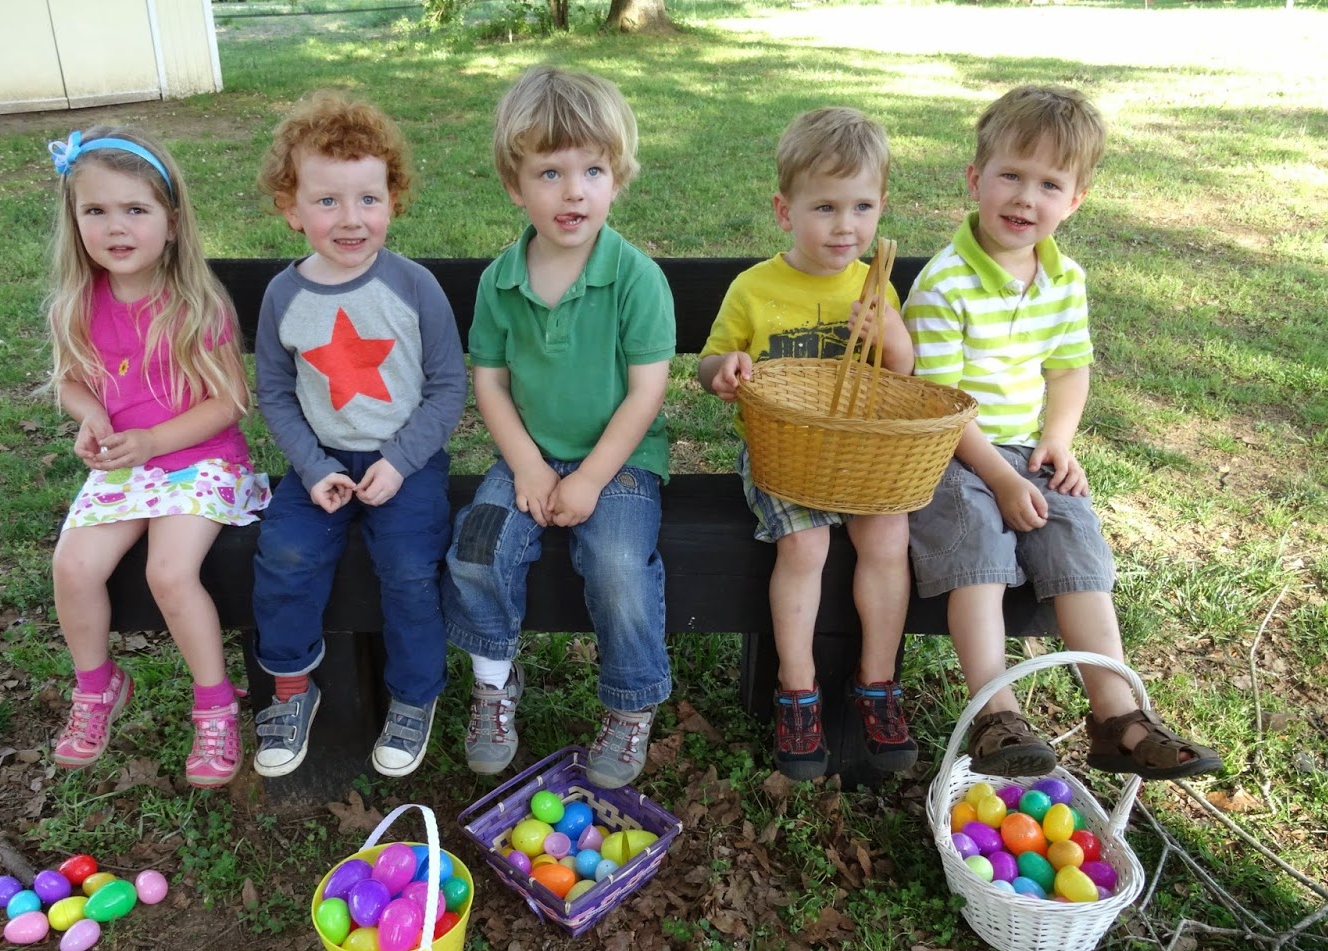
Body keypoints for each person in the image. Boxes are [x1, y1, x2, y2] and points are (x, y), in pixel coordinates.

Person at [902, 85, 1221, 780]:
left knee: (1076, 537)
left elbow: (1069, 367)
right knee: (978, 545)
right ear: (975, 179)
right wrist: (1003, 478)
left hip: (1025, 450)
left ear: (1074, 201)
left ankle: (1118, 715)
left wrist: (1058, 439)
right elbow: (940, 405)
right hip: (950, 453)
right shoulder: (944, 284)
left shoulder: (1063, 279)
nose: (1025, 198)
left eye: (1049, 184)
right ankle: (996, 711)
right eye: (1011, 175)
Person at [442, 66, 676, 790]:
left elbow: (646, 393)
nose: (573, 191)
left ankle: (630, 702)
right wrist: (533, 469)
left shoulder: (635, 278)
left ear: (619, 177)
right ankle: (493, 683)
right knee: (477, 547)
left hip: (621, 459)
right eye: (549, 171)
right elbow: (490, 381)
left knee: (613, 564)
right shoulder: (500, 281)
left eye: (593, 170)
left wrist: (592, 478)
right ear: (516, 186)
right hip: (530, 453)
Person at [697, 107, 919, 783]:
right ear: (783, 209)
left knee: (887, 536)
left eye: (862, 207)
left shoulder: (874, 286)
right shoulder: (756, 288)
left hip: (858, 454)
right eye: (825, 206)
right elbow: (711, 361)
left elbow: (903, 375)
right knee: (806, 543)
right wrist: (725, 373)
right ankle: (797, 686)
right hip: (782, 450)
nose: (845, 226)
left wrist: (888, 333)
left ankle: (876, 681)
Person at [46, 125, 270, 788]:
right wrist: (91, 418)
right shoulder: (75, 307)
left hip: (201, 462)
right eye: (96, 210)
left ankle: (215, 703)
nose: (116, 227)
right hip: (125, 465)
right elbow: (71, 381)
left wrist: (151, 441)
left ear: (171, 224)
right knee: (73, 563)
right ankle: (97, 685)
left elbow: (229, 400)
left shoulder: (195, 304)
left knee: (170, 573)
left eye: (135, 209)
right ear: (75, 220)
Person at [249, 92, 465, 780]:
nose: (350, 219)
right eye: (327, 201)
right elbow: (277, 393)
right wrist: (311, 467)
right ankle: (290, 688)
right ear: (290, 207)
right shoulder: (284, 298)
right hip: (322, 463)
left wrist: (401, 462)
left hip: (409, 460)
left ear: (393, 199)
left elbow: (447, 387)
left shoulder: (414, 286)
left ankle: (413, 695)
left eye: (367, 199)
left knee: (407, 568)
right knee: (283, 552)